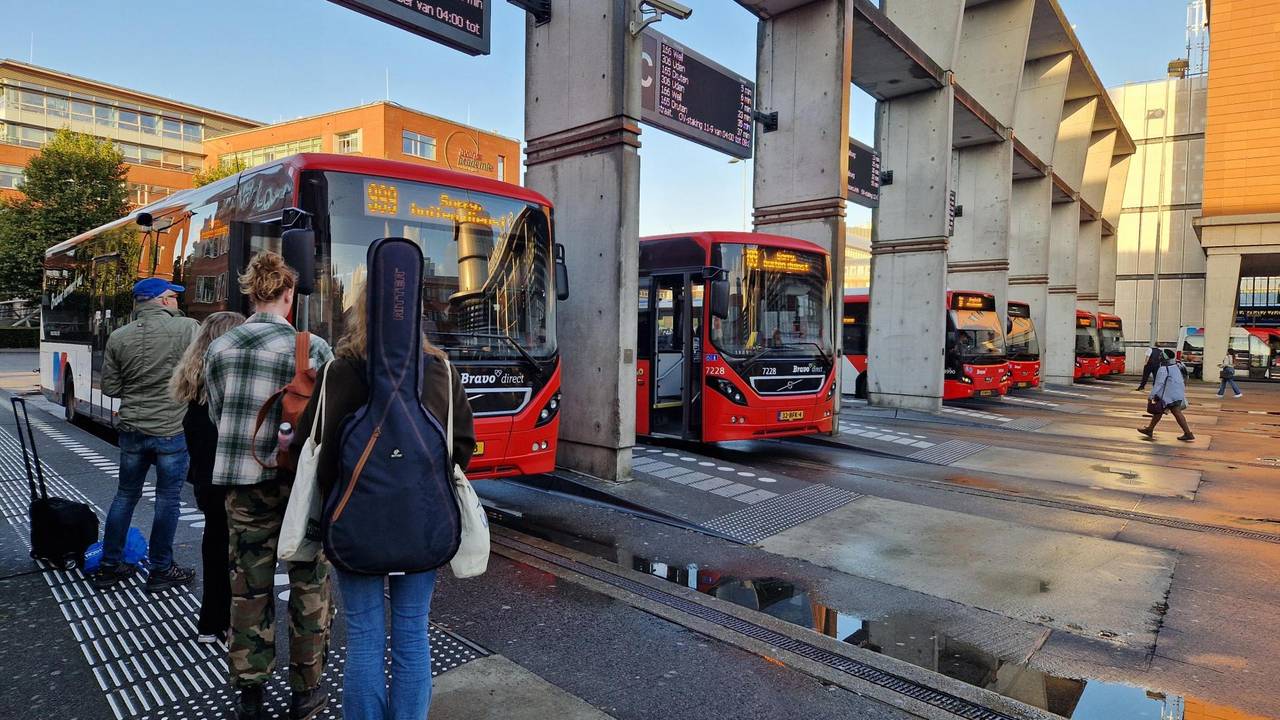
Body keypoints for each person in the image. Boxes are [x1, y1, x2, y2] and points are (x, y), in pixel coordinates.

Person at [294, 280, 475, 720]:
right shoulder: (441, 371)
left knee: (364, 639)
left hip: (354, 524)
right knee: (412, 635)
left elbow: (312, 447)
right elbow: (462, 447)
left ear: (360, 313)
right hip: (423, 523)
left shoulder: (339, 371)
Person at [204, 253, 333, 720]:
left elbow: (217, 415)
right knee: (309, 582)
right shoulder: (313, 348)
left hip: (243, 487)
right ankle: (305, 691)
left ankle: (250, 694)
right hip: (300, 488)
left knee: (248, 588)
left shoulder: (219, 348)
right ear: (288, 293)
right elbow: (328, 422)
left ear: (249, 293)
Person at [92, 278, 199, 592]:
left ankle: (109, 567)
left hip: (132, 430)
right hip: (171, 430)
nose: (177, 302)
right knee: (168, 500)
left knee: (125, 496)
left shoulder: (118, 336)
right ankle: (161, 569)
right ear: (163, 300)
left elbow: (110, 388)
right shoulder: (188, 329)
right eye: (173, 297)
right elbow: (200, 377)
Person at [168, 311, 246, 644]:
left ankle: (209, 623)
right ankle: (230, 623)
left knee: (213, 543)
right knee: (237, 553)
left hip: (205, 482)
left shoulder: (195, 385)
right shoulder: (231, 384)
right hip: (232, 482)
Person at [1139, 349, 1195, 442]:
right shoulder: (1178, 365)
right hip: (1177, 393)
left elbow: (1159, 384)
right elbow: (1185, 377)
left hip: (1168, 396)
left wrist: (1151, 396)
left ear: (1164, 358)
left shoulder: (1163, 369)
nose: (1159, 357)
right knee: (1159, 411)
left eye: (1161, 355)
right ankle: (1150, 429)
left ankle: (1188, 433)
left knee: (1173, 412)